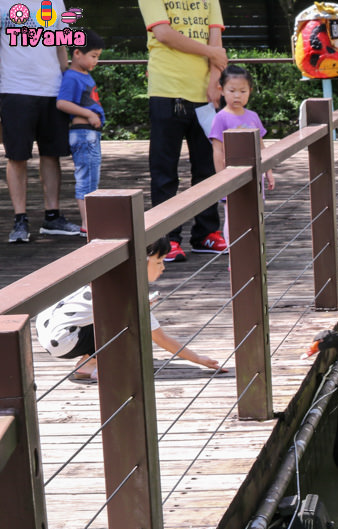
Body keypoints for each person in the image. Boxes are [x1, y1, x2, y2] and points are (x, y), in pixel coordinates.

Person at [35, 237, 226, 383]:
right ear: (142, 262)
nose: (163, 268)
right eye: (159, 262)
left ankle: (89, 363)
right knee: (131, 322)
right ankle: (98, 366)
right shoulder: (128, 293)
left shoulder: (110, 277)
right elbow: (161, 338)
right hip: (64, 338)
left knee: (115, 315)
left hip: (49, 329)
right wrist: (198, 359)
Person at [138, 0, 228, 262]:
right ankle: (167, 238)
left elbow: (216, 39)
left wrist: (214, 81)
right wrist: (211, 53)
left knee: (207, 167)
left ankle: (207, 233)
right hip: (167, 90)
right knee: (164, 170)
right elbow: (163, 33)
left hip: (205, 94)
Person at [1, 0, 83, 243]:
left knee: (52, 154)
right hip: (13, 89)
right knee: (16, 156)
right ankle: (20, 220)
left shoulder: (55, 2)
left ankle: (52, 217)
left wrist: (69, 79)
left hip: (52, 88)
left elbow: (60, 46)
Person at [209, 65, 275, 247]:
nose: (237, 95)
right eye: (232, 90)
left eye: (242, 91)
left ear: (250, 92)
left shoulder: (252, 116)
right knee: (233, 215)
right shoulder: (221, 118)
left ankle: (254, 248)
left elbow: (261, 146)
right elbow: (217, 150)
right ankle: (234, 250)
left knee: (254, 212)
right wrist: (222, 178)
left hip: (255, 176)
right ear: (222, 91)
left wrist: (268, 170)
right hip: (231, 175)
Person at [55, 29, 105, 235]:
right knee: (86, 177)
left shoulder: (85, 76)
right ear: (77, 53)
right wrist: (88, 114)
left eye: (98, 57)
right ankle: (88, 222)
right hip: (83, 133)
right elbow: (62, 103)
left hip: (91, 134)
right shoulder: (72, 77)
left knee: (92, 177)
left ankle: (91, 220)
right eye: (93, 56)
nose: (96, 61)